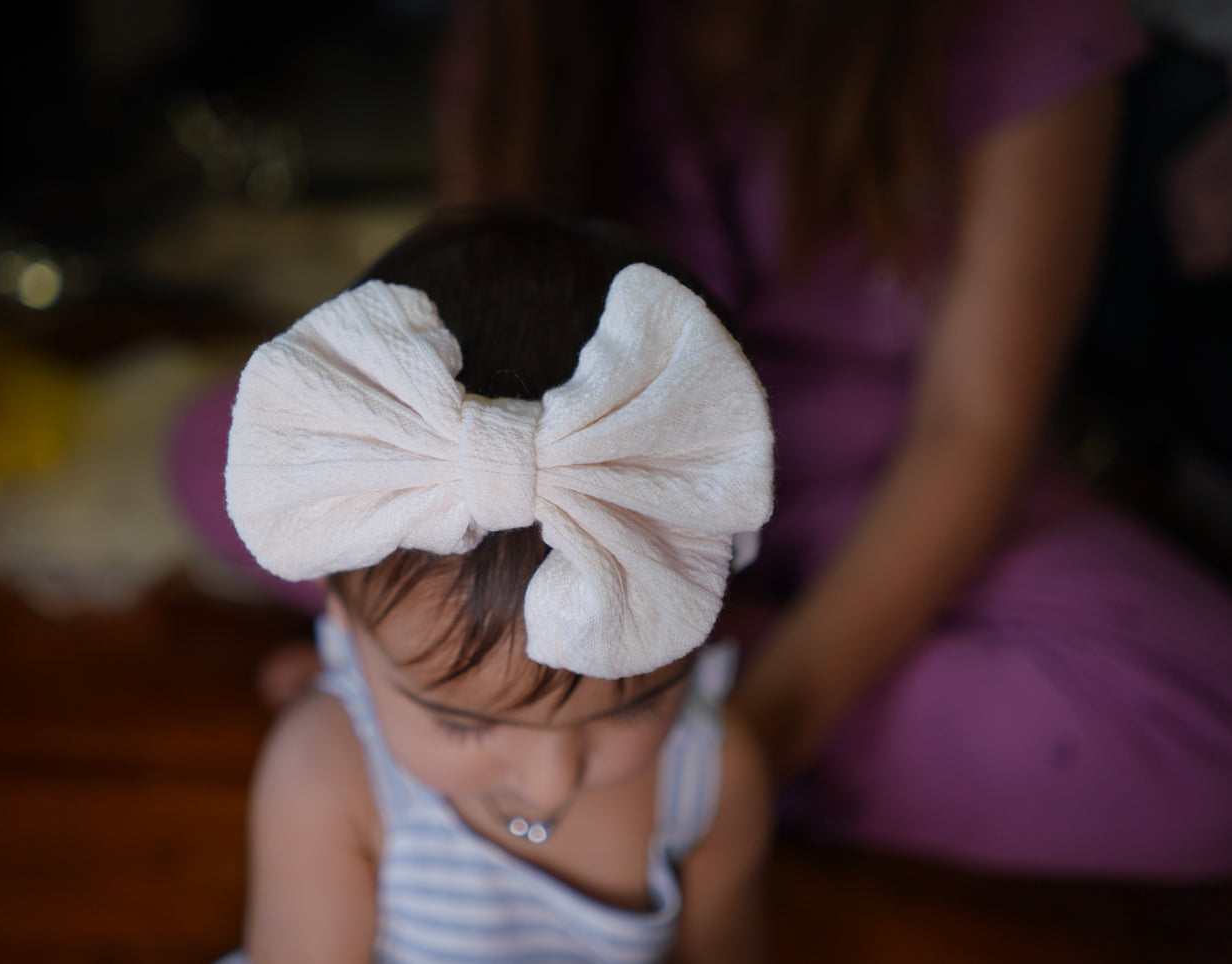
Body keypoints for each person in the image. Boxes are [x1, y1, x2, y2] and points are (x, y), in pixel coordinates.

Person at [431, 0, 1232, 881]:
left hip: (893, 476)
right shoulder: (530, 37)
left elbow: (970, 425)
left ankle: (480, 697)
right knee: (264, 441)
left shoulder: (1019, 24)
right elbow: (483, 353)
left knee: (1209, 730)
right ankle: (550, 689)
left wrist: (747, 745)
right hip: (609, 477)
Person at [220, 208, 775, 962]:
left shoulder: (710, 773)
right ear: (343, 626)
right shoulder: (329, 775)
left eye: (636, 704)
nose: (550, 784)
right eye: (464, 725)